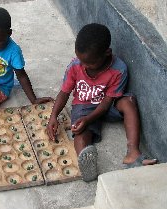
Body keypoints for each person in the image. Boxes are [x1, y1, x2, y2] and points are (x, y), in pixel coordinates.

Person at [47, 23, 157, 182]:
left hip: (108, 105)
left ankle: (132, 153)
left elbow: (106, 103)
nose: (84, 66)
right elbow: (64, 92)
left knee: (128, 101)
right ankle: (85, 161)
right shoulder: (75, 66)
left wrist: (89, 119)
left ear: (107, 53)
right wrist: (53, 116)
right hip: (84, 105)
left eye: (90, 63)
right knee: (80, 131)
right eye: (81, 60)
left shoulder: (119, 69)